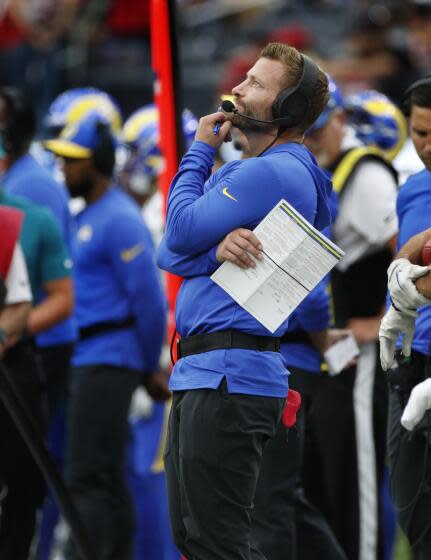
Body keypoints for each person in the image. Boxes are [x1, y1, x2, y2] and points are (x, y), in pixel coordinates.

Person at [157, 41, 332, 559]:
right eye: (245, 78)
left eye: (257, 83)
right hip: (212, 370)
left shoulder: (271, 171)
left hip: (229, 375)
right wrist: (214, 253)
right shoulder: (266, 170)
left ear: (289, 110)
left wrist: (199, 150)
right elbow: (172, 252)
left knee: (219, 544)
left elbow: (178, 229)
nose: (236, 88)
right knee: (196, 540)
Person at [44, 112, 168, 560]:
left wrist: (145, 364)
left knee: (87, 474)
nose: (63, 169)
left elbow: (149, 302)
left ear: (94, 162)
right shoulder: (91, 215)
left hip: (108, 359)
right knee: (106, 476)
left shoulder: (119, 218)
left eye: (72, 161)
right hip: (94, 356)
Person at [304, 78, 399, 560]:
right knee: (325, 489)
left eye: (320, 128)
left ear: (341, 120)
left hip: (360, 360)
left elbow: (412, 256)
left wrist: (383, 322)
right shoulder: (313, 171)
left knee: (357, 491)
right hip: (327, 361)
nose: (313, 138)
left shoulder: (366, 174)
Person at [0, 86, 75, 423]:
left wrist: (10, 333)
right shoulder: (17, 178)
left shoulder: (29, 186)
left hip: (37, 344)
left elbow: (42, 274)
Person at [378, 75, 431, 558]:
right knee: (412, 512)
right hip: (412, 356)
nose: (428, 145)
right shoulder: (412, 189)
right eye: (419, 133)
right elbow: (406, 265)